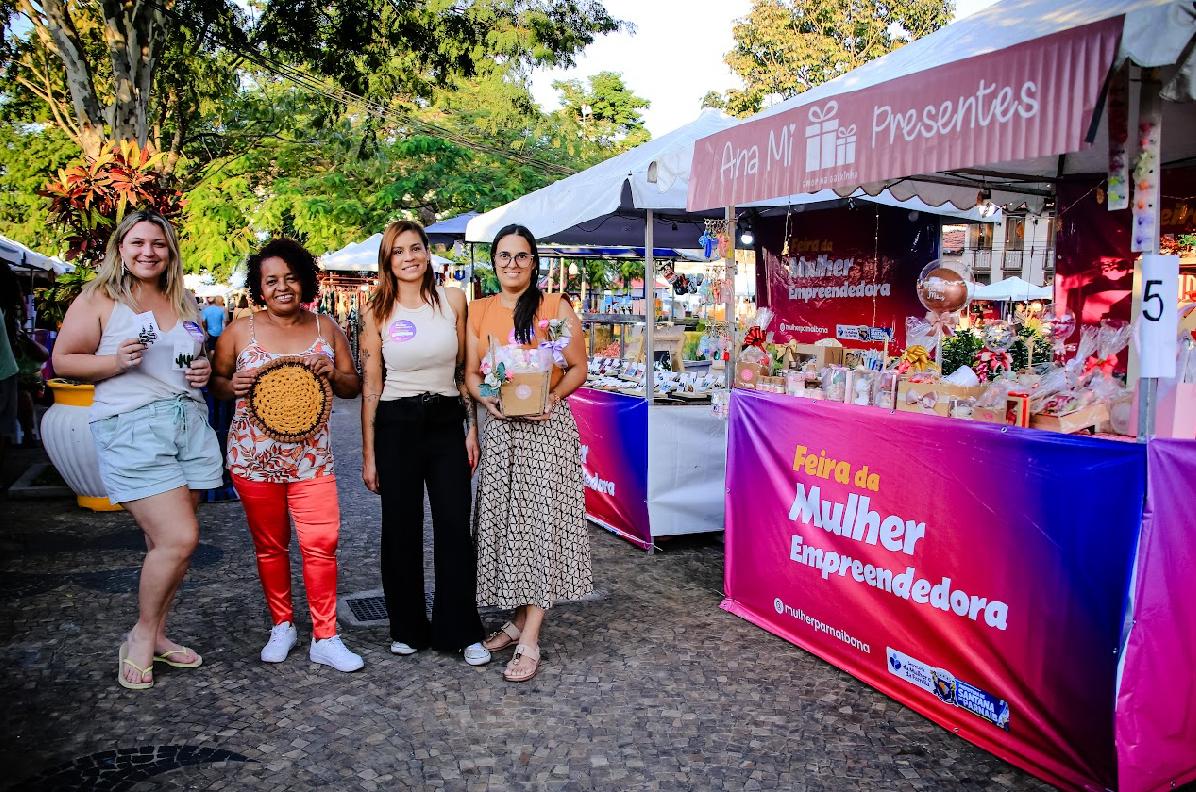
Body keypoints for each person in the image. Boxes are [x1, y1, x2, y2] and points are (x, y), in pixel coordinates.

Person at [52, 210, 220, 690]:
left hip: (187, 423)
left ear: (170, 251)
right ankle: (141, 636)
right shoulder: (99, 297)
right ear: (120, 248)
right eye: (138, 242)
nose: (148, 252)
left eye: (159, 244)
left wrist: (203, 371)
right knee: (179, 539)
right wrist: (112, 360)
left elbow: (190, 356)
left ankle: (160, 634)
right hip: (131, 426)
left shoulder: (182, 299)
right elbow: (62, 359)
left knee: (165, 546)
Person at [210, 238, 365, 672]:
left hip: (313, 461)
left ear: (304, 281)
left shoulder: (325, 327)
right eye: (271, 280)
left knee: (321, 544)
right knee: (270, 546)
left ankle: (326, 635)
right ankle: (282, 624)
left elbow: (353, 386)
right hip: (253, 460)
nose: (282, 287)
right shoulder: (240, 331)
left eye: (290, 278)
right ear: (259, 288)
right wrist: (232, 385)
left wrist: (332, 373)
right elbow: (218, 383)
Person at [464, 224, 592, 683]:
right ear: (493, 261)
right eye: (504, 255)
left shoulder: (553, 307)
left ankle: (531, 637)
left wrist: (552, 398)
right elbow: (470, 375)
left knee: (539, 529)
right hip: (501, 430)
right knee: (507, 527)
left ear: (533, 262)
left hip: (545, 431)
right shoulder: (478, 310)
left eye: (521, 256)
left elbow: (577, 366)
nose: (512, 264)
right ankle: (518, 621)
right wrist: (487, 401)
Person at [359, 221, 489, 667]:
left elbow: (462, 371)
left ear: (427, 254)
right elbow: (371, 386)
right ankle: (407, 627)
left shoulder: (453, 300)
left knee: (454, 525)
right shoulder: (375, 309)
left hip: (445, 419)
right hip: (396, 422)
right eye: (399, 251)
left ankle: (462, 629)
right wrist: (369, 452)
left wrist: (470, 427)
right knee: (401, 528)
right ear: (387, 261)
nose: (410, 257)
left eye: (416, 248)